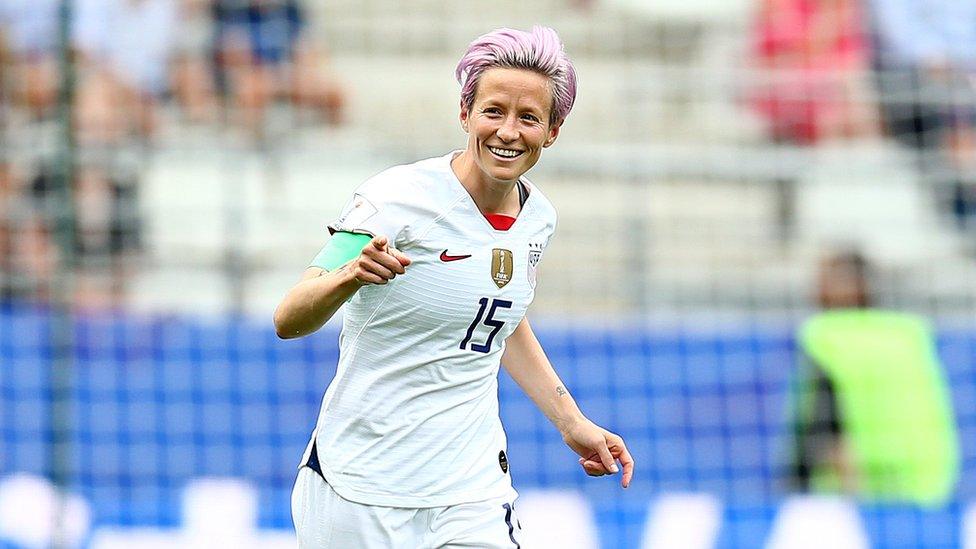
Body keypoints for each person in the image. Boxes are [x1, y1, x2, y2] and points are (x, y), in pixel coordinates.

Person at [274, 26, 634, 548]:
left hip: (471, 490)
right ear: (465, 114)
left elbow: (500, 319)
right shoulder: (394, 199)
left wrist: (570, 420)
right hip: (359, 487)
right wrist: (350, 275)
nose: (508, 131)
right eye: (493, 111)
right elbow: (289, 316)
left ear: (552, 130)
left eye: (528, 117)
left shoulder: (539, 220)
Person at [789, 251, 958, 505]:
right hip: (929, 487)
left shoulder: (827, 337)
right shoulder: (910, 335)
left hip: (861, 497)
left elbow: (826, 426)